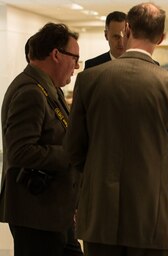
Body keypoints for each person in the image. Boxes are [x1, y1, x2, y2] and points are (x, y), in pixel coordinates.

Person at [65, 3, 168, 256]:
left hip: (99, 217)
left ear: (127, 29)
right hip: (150, 220)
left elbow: (73, 150)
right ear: (162, 38)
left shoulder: (89, 79)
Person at [0, 23, 83, 256]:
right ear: (56, 54)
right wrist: (71, 154)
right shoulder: (30, 92)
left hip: (54, 211)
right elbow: (21, 151)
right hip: (36, 214)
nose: (76, 66)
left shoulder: (49, 88)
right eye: (75, 58)